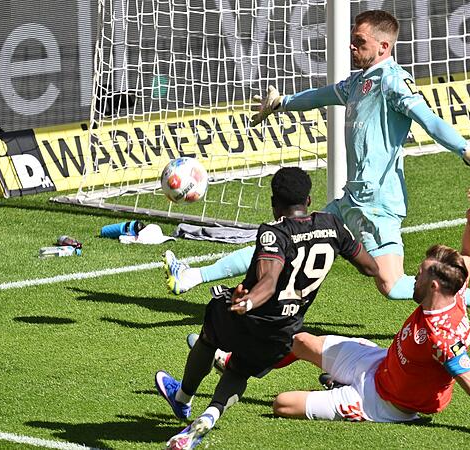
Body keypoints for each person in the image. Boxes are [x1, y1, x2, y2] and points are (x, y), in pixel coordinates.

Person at [163, 9, 470, 339]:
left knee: (390, 285)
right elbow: (325, 94)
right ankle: (192, 276)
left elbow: (430, 121)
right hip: (349, 200)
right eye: (352, 41)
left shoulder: (393, 82)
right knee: (279, 242)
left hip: (378, 206)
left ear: (384, 47)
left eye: (360, 42)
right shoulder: (359, 81)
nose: (352, 48)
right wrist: (284, 103)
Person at [154, 167, 378, 450]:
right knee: (238, 372)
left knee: (209, 335)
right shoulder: (332, 224)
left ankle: (182, 398)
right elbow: (370, 267)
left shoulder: (275, 233)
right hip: (284, 331)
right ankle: (210, 416)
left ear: (274, 203)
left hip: (249, 316)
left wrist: (247, 302)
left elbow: (269, 282)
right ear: (308, 200)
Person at [271, 189, 470, 446]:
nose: (415, 276)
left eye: (420, 274)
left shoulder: (442, 340)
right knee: (301, 341)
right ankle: (236, 361)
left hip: (382, 402)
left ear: (434, 287)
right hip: (380, 362)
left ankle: (341, 389)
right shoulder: (456, 290)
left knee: (282, 404)